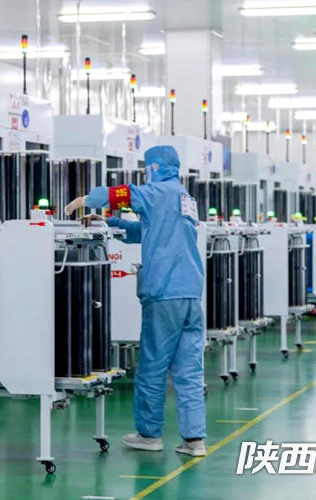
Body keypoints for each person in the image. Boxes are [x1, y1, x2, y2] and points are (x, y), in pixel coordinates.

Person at [64, 145, 207, 457]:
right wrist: (110, 223)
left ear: (154, 168)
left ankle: (149, 434)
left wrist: (86, 200)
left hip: (164, 293)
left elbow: (120, 194)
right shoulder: (185, 197)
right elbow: (149, 231)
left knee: (153, 366)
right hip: (191, 294)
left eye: (146, 168)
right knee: (189, 370)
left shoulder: (156, 192)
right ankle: (194, 440)